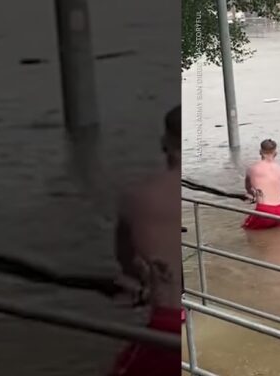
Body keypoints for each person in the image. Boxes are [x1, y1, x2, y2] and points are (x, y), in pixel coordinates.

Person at [111, 106, 180, 376]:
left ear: (164, 143)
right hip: (199, 314)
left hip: (166, 319)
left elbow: (125, 263)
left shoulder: (137, 197)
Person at [242, 139, 280, 230]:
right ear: (276, 153)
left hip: (264, 210)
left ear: (260, 152)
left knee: (247, 230)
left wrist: (254, 195)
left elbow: (248, 188)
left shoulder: (252, 169)